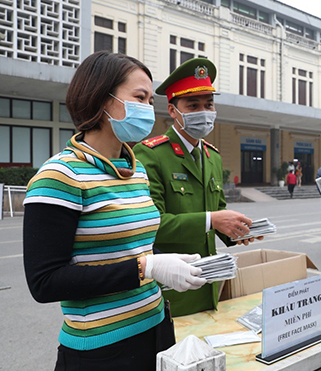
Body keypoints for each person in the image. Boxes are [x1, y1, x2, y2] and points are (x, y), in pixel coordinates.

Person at [22, 51, 206, 370]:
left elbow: (135, 246)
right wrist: (145, 268)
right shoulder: (60, 176)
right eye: (139, 97)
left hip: (157, 328)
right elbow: (45, 281)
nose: (148, 109)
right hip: (102, 349)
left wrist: (173, 264)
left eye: (150, 101)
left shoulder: (135, 171)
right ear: (102, 99)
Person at [133, 58, 259, 317]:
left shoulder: (213, 157)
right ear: (172, 110)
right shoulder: (150, 155)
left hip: (209, 285)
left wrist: (237, 231)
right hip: (171, 289)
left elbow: (218, 210)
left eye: (208, 104)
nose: (204, 111)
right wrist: (212, 220)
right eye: (193, 105)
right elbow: (152, 224)